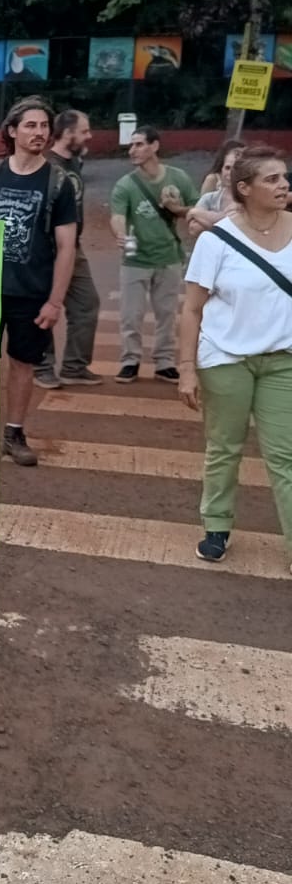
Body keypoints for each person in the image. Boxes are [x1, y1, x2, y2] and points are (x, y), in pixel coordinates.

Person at [178, 146, 292, 568]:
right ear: (243, 189)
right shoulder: (216, 241)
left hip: (283, 360)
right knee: (225, 447)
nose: (283, 185)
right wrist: (186, 369)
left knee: (286, 454)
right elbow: (191, 309)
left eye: (284, 177)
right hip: (225, 358)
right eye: (272, 179)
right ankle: (217, 526)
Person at [0, 98, 78, 466]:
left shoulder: (60, 182)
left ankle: (13, 433)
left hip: (32, 292)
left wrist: (55, 301)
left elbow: (66, 246)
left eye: (44, 126)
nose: (39, 133)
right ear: (12, 131)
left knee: (23, 363)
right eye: (30, 125)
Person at [110, 127, 199, 384]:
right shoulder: (125, 184)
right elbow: (117, 216)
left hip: (168, 256)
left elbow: (196, 208)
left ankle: (164, 362)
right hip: (135, 258)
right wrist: (119, 234)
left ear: (154, 146)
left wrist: (175, 208)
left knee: (167, 313)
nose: (132, 150)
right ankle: (130, 360)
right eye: (132, 145)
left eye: (138, 144)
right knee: (131, 314)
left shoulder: (178, 178)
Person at [34, 108, 102, 389]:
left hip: (74, 247)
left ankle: (75, 366)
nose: (89, 136)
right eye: (84, 131)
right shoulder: (46, 166)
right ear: (68, 132)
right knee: (43, 306)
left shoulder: (74, 163)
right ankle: (41, 365)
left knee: (87, 303)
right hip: (47, 248)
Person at [187, 139, 244, 238]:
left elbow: (236, 227)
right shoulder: (209, 198)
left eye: (235, 168)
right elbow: (194, 228)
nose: (230, 173)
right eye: (227, 168)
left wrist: (195, 213)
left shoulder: (250, 200)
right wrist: (221, 221)